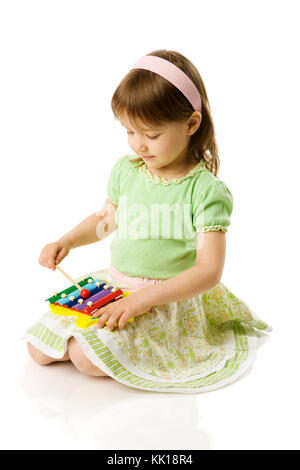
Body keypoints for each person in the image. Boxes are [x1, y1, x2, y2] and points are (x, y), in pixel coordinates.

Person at [25, 49, 271, 393]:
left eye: (151, 135)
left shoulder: (204, 190)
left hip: (163, 301)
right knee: (39, 349)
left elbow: (208, 271)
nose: (139, 144)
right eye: (129, 132)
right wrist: (66, 241)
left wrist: (143, 300)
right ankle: (92, 340)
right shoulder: (127, 171)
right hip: (113, 288)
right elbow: (105, 221)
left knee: (82, 357)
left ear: (191, 124)